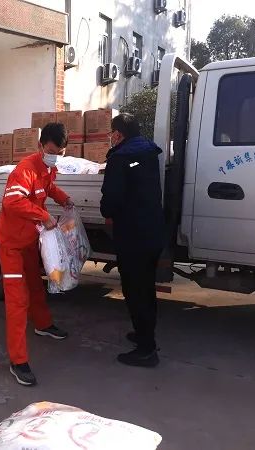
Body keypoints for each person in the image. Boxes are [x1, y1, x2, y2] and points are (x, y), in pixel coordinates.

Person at [0, 122, 74, 386]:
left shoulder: (47, 168)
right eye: (51, 152)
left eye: (60, 153)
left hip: (30, 240)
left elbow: (47, 188)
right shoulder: (25, 169)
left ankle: (43, 324)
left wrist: (64, 199)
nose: (55, 157)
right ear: (40, 146)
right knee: (17, 301)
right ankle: (18, 361)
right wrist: (43, 215)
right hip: (11, 246)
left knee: (36, 287)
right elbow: (13, 201)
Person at [100, 113, 165, 368]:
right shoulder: (149, 152)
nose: (111, 137)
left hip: (133, 236)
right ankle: (144, 334)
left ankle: (146, 350)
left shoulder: (120, 158)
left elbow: (111, 201)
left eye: (112, 133)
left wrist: (106, 209)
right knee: (146, 288)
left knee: (135, 290)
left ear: (118, 134)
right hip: (152, 231)